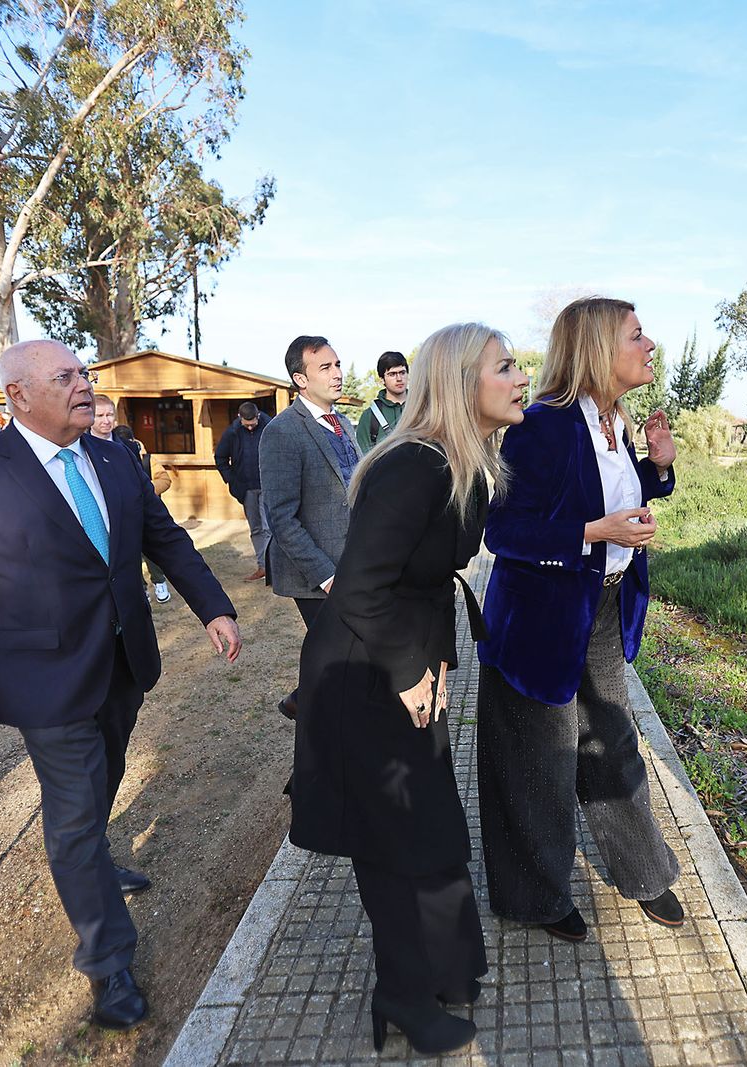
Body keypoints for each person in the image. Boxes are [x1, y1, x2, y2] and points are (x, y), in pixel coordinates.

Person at [0, 339, 242, 1032]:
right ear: (19, 395)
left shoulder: (114, 458)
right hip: (45, 678)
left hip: (122, 662)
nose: (83, 385)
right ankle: (107, 959)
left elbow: (165, 539)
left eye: (83, 373)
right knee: (73, 812)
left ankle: (94, 855)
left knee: (102, 780)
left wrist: (213, 606)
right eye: (65, 376)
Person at [291, 322, 528, 1056]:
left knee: (429, 825)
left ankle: (448, 967)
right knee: (394, 838)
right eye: (506, 366)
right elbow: (360, 588)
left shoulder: (465, 460)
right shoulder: (414, 465)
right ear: (460, 382)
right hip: (364, 672)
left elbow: (425, 583)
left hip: (404, 656)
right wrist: (407, 671)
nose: (522, 377)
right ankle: (400, 992)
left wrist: (439, 660)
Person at [476, 296, 684, 944]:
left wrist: (657, 468)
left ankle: (643, 871)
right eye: (636, 335)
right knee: (542, 759)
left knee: (611, 740)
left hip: (603, 606)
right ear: (597, 349)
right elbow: (503, 531)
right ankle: (535, 895)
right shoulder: (542, 425)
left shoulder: (615, 420)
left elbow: (605, 494)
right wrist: (595, 532)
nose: (649, 345)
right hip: (538, 621)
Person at [260, 335, 360, 719]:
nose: (337, 374)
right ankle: (308, 713)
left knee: (344, 658)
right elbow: (281, 517)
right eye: (325, 367)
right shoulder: (282, 431)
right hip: (317, 575)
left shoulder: (343, 423)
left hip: (352, 564)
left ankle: (309, 708)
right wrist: (326, 577)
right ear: (300, 380)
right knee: (341, 657)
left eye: (338, 364)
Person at [93, 399, 174, 604]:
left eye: (109, 415)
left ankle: (156, 583)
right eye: (100, 415)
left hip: (132, 511)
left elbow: (143, 480)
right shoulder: (80, 446)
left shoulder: (129, 448)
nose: (106, 420)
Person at [214, 401, 272, 582]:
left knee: (269, 528)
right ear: (240, 418)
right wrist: (231, 479)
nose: (250, 427)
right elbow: (220, 458)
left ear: (258, 416)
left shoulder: (270, 427)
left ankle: (273, 568)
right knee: (256, 529)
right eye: (247, 424)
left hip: (268, 486)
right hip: (246, 489)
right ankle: (263, 567)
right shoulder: (232, 433)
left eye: (253, 423)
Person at [354, 350, 409, 452]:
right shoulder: (369, 416)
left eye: (402, 373)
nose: (399, 378)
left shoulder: (423, 408)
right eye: (392, 374)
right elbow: (363, 457)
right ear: (382, 380)